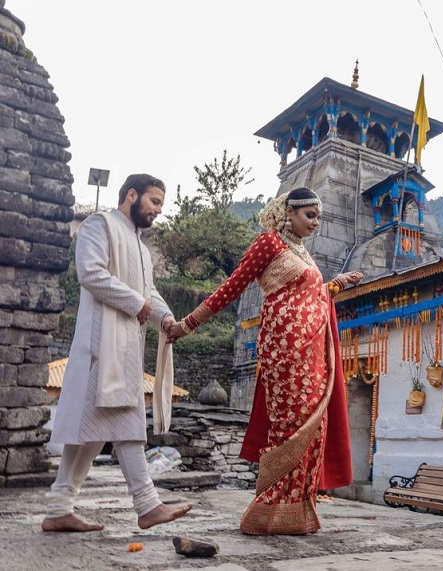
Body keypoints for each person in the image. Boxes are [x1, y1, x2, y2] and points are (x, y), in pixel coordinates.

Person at [170, 186, 361, 535]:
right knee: (289, 424)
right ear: (289, 212)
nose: (315, 222)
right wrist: (188, 324)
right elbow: (232, 286)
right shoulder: (268, 244)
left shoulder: (303, 254)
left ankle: (296, 510)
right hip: (284, 348)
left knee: (314, 425)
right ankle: (266, 510)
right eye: (309, 215)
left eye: (319, 217)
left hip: (313, 350)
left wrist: (334, 286)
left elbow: (309, 296)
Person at [42, 174, 193, 532]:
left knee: (92, 432)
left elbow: (149, 291)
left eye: (161, 205)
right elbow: (90, 274)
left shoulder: (141, 247)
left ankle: (58, 507)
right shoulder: (100, 225)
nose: (158, 211)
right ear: (131, 194)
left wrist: (166, 316)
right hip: (101, 345)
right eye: (155, 202)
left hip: (127, 345)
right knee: (125, 419)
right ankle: (147, 503)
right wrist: (137, 303)